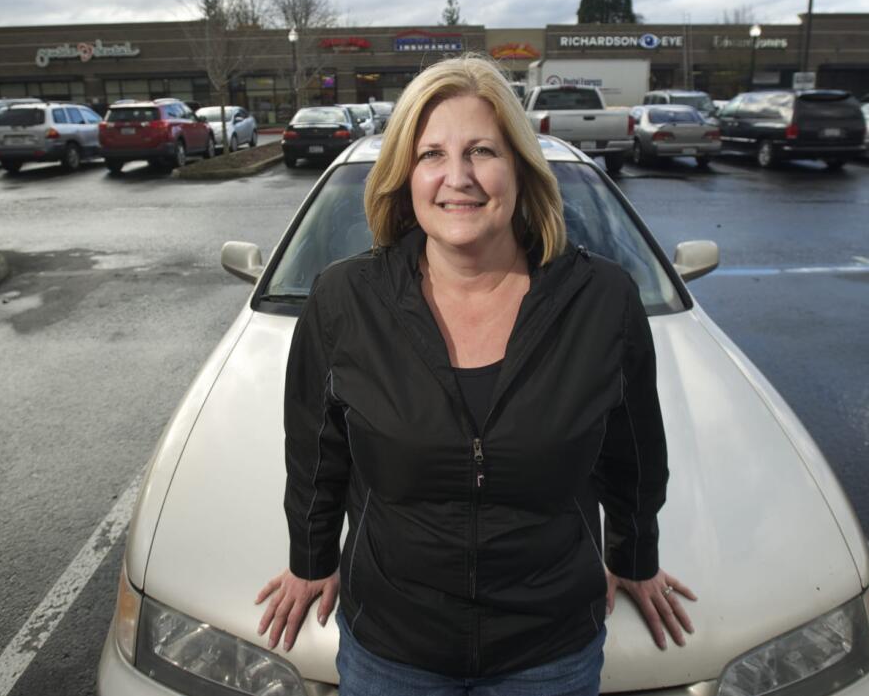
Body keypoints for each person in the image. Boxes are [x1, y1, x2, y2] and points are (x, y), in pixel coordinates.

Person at [256, 55, 695, 695]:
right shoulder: (344, 300)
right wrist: (310, 560)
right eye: (432, 154)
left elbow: (633, 453)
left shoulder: (603, 300)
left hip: (548, 650)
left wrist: (634, 559)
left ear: (518, 166)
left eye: (482, 151)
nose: (456, 178)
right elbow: (317, 455)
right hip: (393, 649)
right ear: (405, 175)